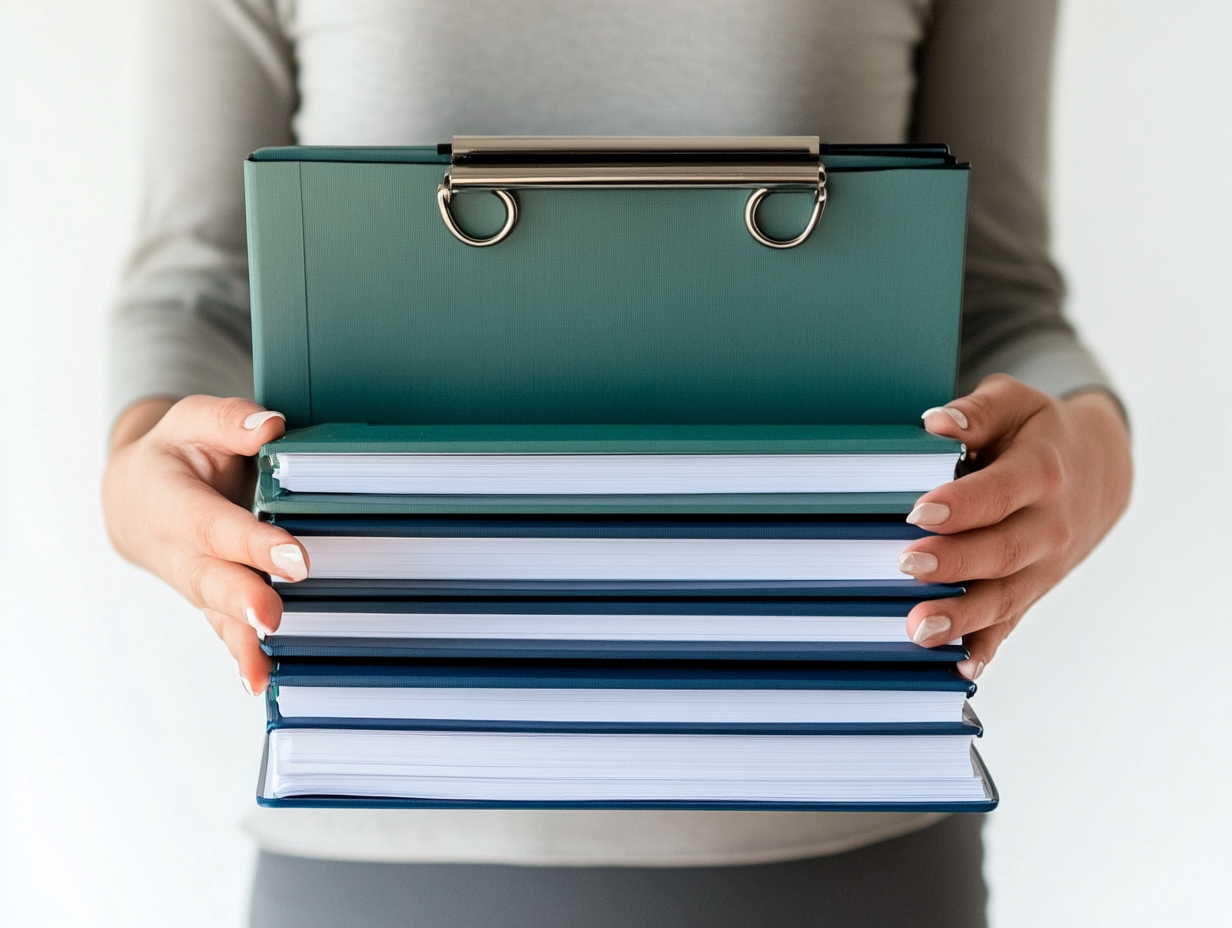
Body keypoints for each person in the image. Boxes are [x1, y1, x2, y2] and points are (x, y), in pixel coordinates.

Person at [101, 1, 1133, 925]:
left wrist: (1089, 448)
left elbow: (996, 296)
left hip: (837, 833)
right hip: (378, 825)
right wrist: (140, 469)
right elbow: (198, 288)